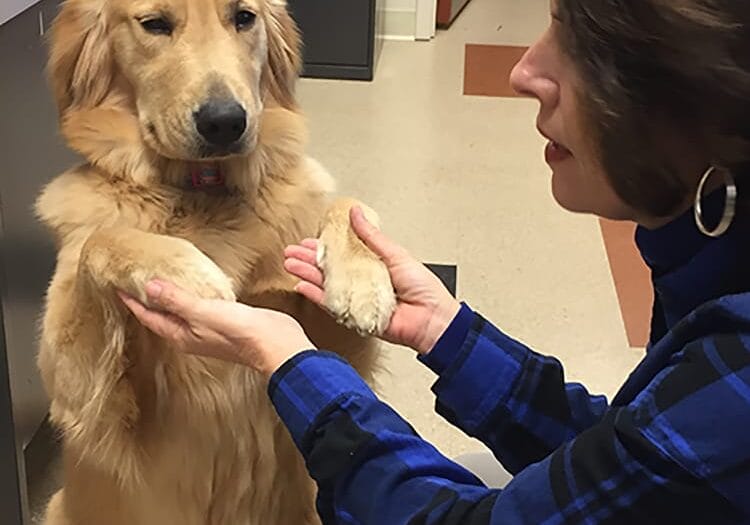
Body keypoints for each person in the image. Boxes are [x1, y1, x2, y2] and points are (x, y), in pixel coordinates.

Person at [119, 0, 750, 522]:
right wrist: (447, 333)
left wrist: (290, 361)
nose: (523, 70)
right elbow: (633, 452)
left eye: (585, 45)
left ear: (702, 100)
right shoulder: (710, 240)